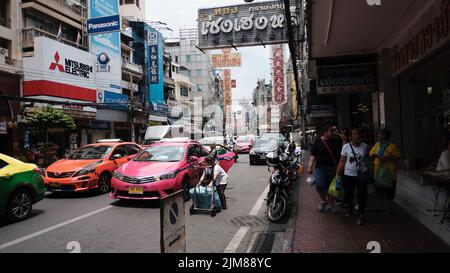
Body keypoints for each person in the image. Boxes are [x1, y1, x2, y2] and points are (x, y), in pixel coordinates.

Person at [336, 128, 369, 225]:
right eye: (354, 134)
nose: (357, 136)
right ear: (351, 136)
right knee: (348, 194)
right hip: (348, 174)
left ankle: (361, 215)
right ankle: (349, 208)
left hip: (361, 174)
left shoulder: (365, 146)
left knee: (361, 195)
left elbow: (367, 160)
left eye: (358, 134)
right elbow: (342, 161)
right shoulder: (346, 147)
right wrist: (337, 174)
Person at [307, 122, 342, 212]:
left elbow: (342, 155)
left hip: (333, 168)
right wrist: (310, 166)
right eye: (331, 131)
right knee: (319, 186)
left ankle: (331, 204)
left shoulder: (336, 141)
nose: (333, 132)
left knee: (332, 188)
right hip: (320, 169)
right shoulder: (318, 141)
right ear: (325, 132)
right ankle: (324, 200)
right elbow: (313, 155)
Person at [369, 128, 400, 214]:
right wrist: (375, 156)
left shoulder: (392, 146)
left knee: (390, 191)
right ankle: (382, 207)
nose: (378, 136)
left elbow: (397, 157)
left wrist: (387, 158)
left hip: (390, 173)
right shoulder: (377, 145)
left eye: (379, 134)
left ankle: (390, 208)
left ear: (384, 136)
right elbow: (370, 156)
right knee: (379, 191)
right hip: (378, 172)